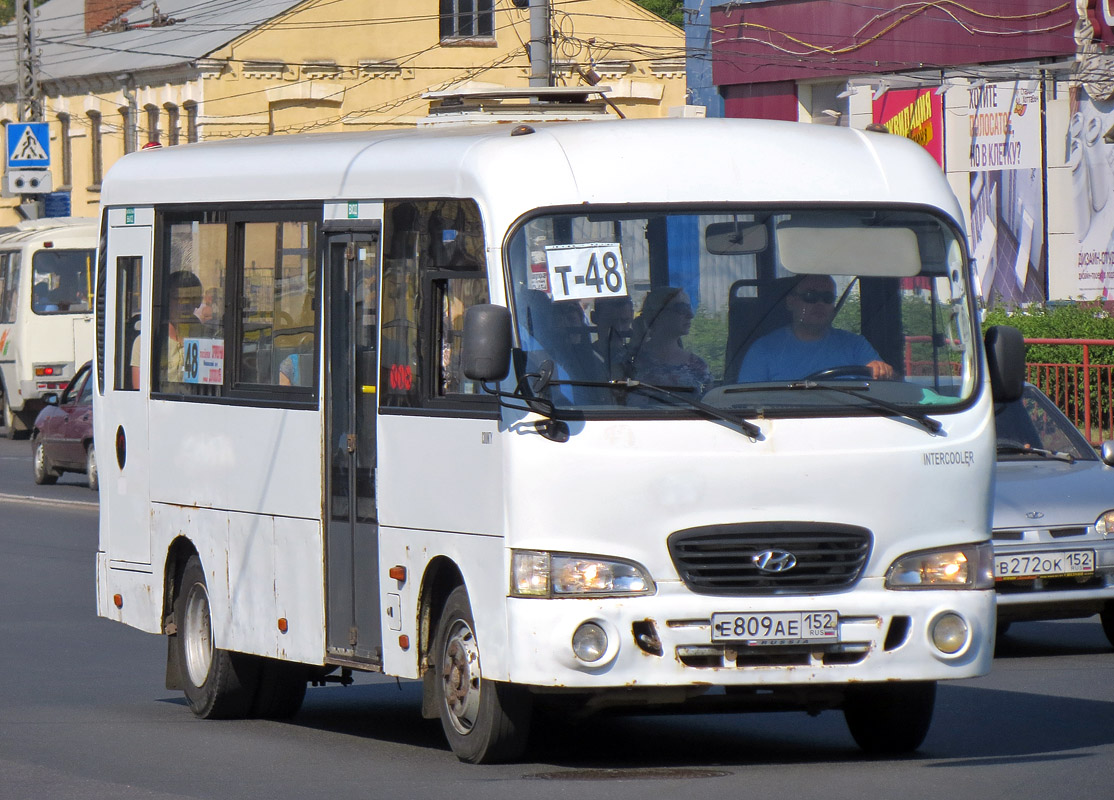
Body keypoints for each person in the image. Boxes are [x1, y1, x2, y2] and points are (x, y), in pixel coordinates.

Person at [737, 274, 894, 382]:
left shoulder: (855, 346)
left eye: (827, 298)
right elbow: (746, 403)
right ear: (791, 302)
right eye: (810, 296)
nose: (820, 304)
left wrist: (883, 372)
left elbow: (891, 388)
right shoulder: (763, 349)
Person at [630, 287, 712, 392]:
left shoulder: (697, 366)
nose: (690, 315)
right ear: (659, 314)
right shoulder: (629, 362)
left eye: (689, 307)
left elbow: (709, 403)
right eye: (681, 308)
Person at [590, 295, 634, 375]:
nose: (619, 329)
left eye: (624, 321)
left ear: (632, 316)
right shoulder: (580, 359)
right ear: (594, 318)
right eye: (610, 321)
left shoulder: (638, 358)